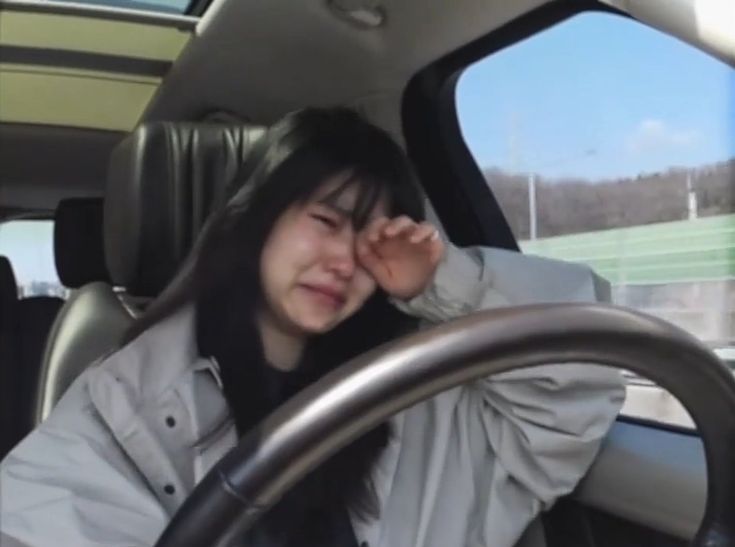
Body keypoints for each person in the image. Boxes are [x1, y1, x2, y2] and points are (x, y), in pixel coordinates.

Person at [0, 108, 624, 547]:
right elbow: (39, 521)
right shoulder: (131, 396)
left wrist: (444, 282)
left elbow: (577, 388)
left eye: (373, 238)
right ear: (256, 219)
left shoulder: (427, 389)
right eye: (326, 221)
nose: (345, 261)